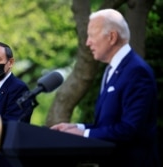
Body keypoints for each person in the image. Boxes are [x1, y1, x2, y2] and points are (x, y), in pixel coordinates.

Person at [50, 9, 160, 167]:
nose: (88, 42)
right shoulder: (112, 69)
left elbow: (130, 129)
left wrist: (84, 134)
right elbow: (108, 126)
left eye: (92, 35)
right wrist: (76, 127)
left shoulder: (136, 71)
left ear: (112, 37)